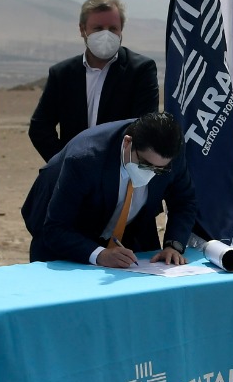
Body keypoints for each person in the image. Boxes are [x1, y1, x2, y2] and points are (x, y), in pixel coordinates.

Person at [22, 112, 197, 268]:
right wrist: (99, 254)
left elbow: (184, 201)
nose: (151, 173)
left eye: (160, 169)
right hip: (67, 232)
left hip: (130, 232)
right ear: (128, 142)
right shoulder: (85, 159)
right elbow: (55, 229)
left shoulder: (171, 151)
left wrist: (173, 246)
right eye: (145, 164)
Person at [28, 0, 159, 162]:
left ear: (121, 30)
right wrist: (63, 163)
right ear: (82, 29)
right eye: (98, 28)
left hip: (119, 171)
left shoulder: (140, 71)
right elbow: (39, 127)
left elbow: (144, 127)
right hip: (73, 171)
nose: (106, 35)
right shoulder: (62, 74)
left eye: (113, 28)